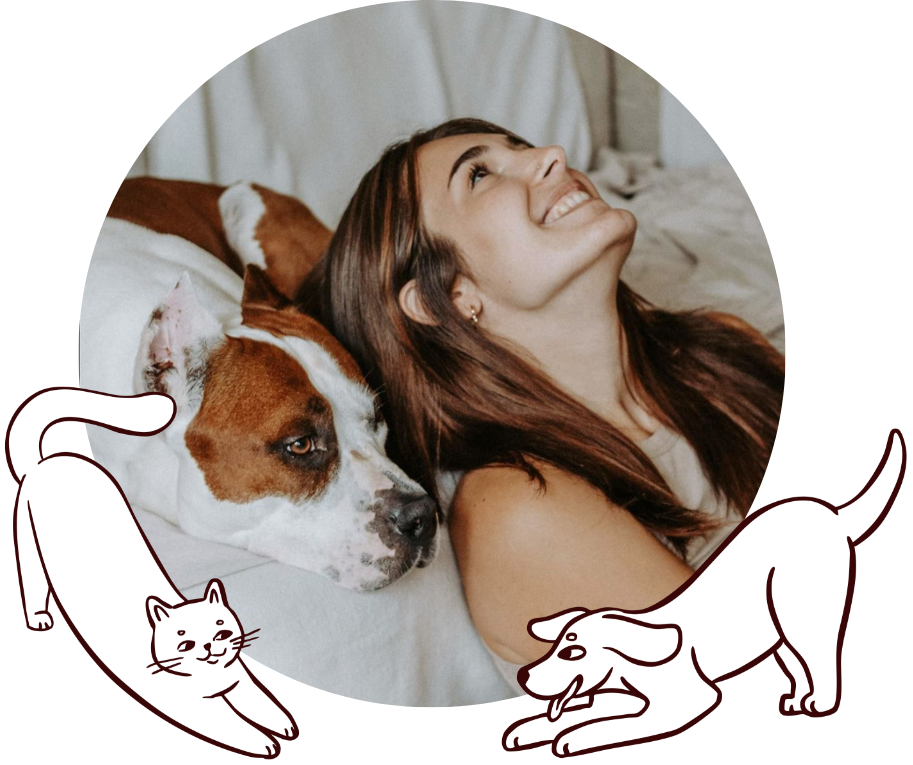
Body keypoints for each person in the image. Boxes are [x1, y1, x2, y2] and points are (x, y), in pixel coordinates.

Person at [297, 118, 784, 689]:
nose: (553, 153)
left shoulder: (721, 350)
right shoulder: (521, 510)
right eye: (479, 175)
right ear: (447, 297)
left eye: (523, 146)